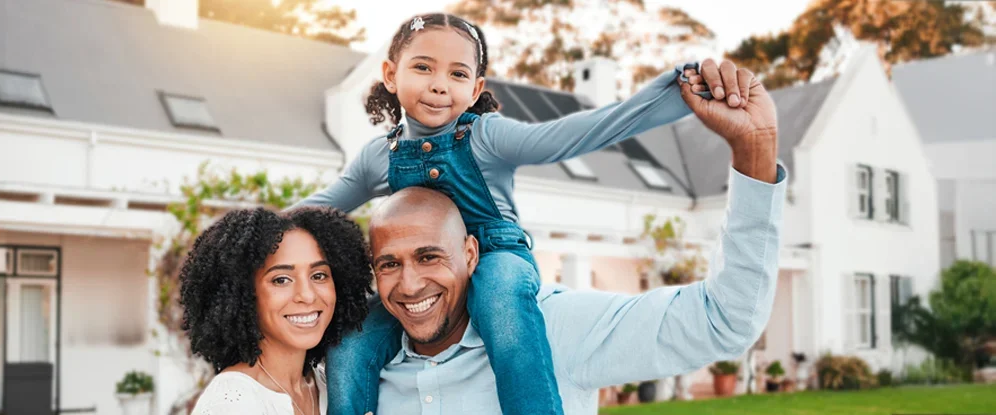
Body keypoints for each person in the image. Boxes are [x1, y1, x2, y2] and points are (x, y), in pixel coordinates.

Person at [291, 12, 725, 415]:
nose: (440, 84)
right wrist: (253, 231)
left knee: (501, 305)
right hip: (428, 269)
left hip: (498, 258)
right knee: (352, 337)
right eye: (423, 67)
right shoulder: (379, 156)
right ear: (390, 74)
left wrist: (672, 94)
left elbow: (575, 134)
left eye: (457, 74)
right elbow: (319, 207)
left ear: (475, 90)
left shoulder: (486, 137)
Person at [362, 53, 785, 413]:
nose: (411, 284)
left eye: (429, 256)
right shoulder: (357, 365)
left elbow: (724, 321)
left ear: (471, 253)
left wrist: (755, 151)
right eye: (389, 264)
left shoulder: (557, 328)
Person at [181, 207, 375, 415]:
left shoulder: (328, 384)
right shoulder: (232, 403)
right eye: (281, 280)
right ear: (242, 295)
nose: (307, 295)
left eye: (319, 275)